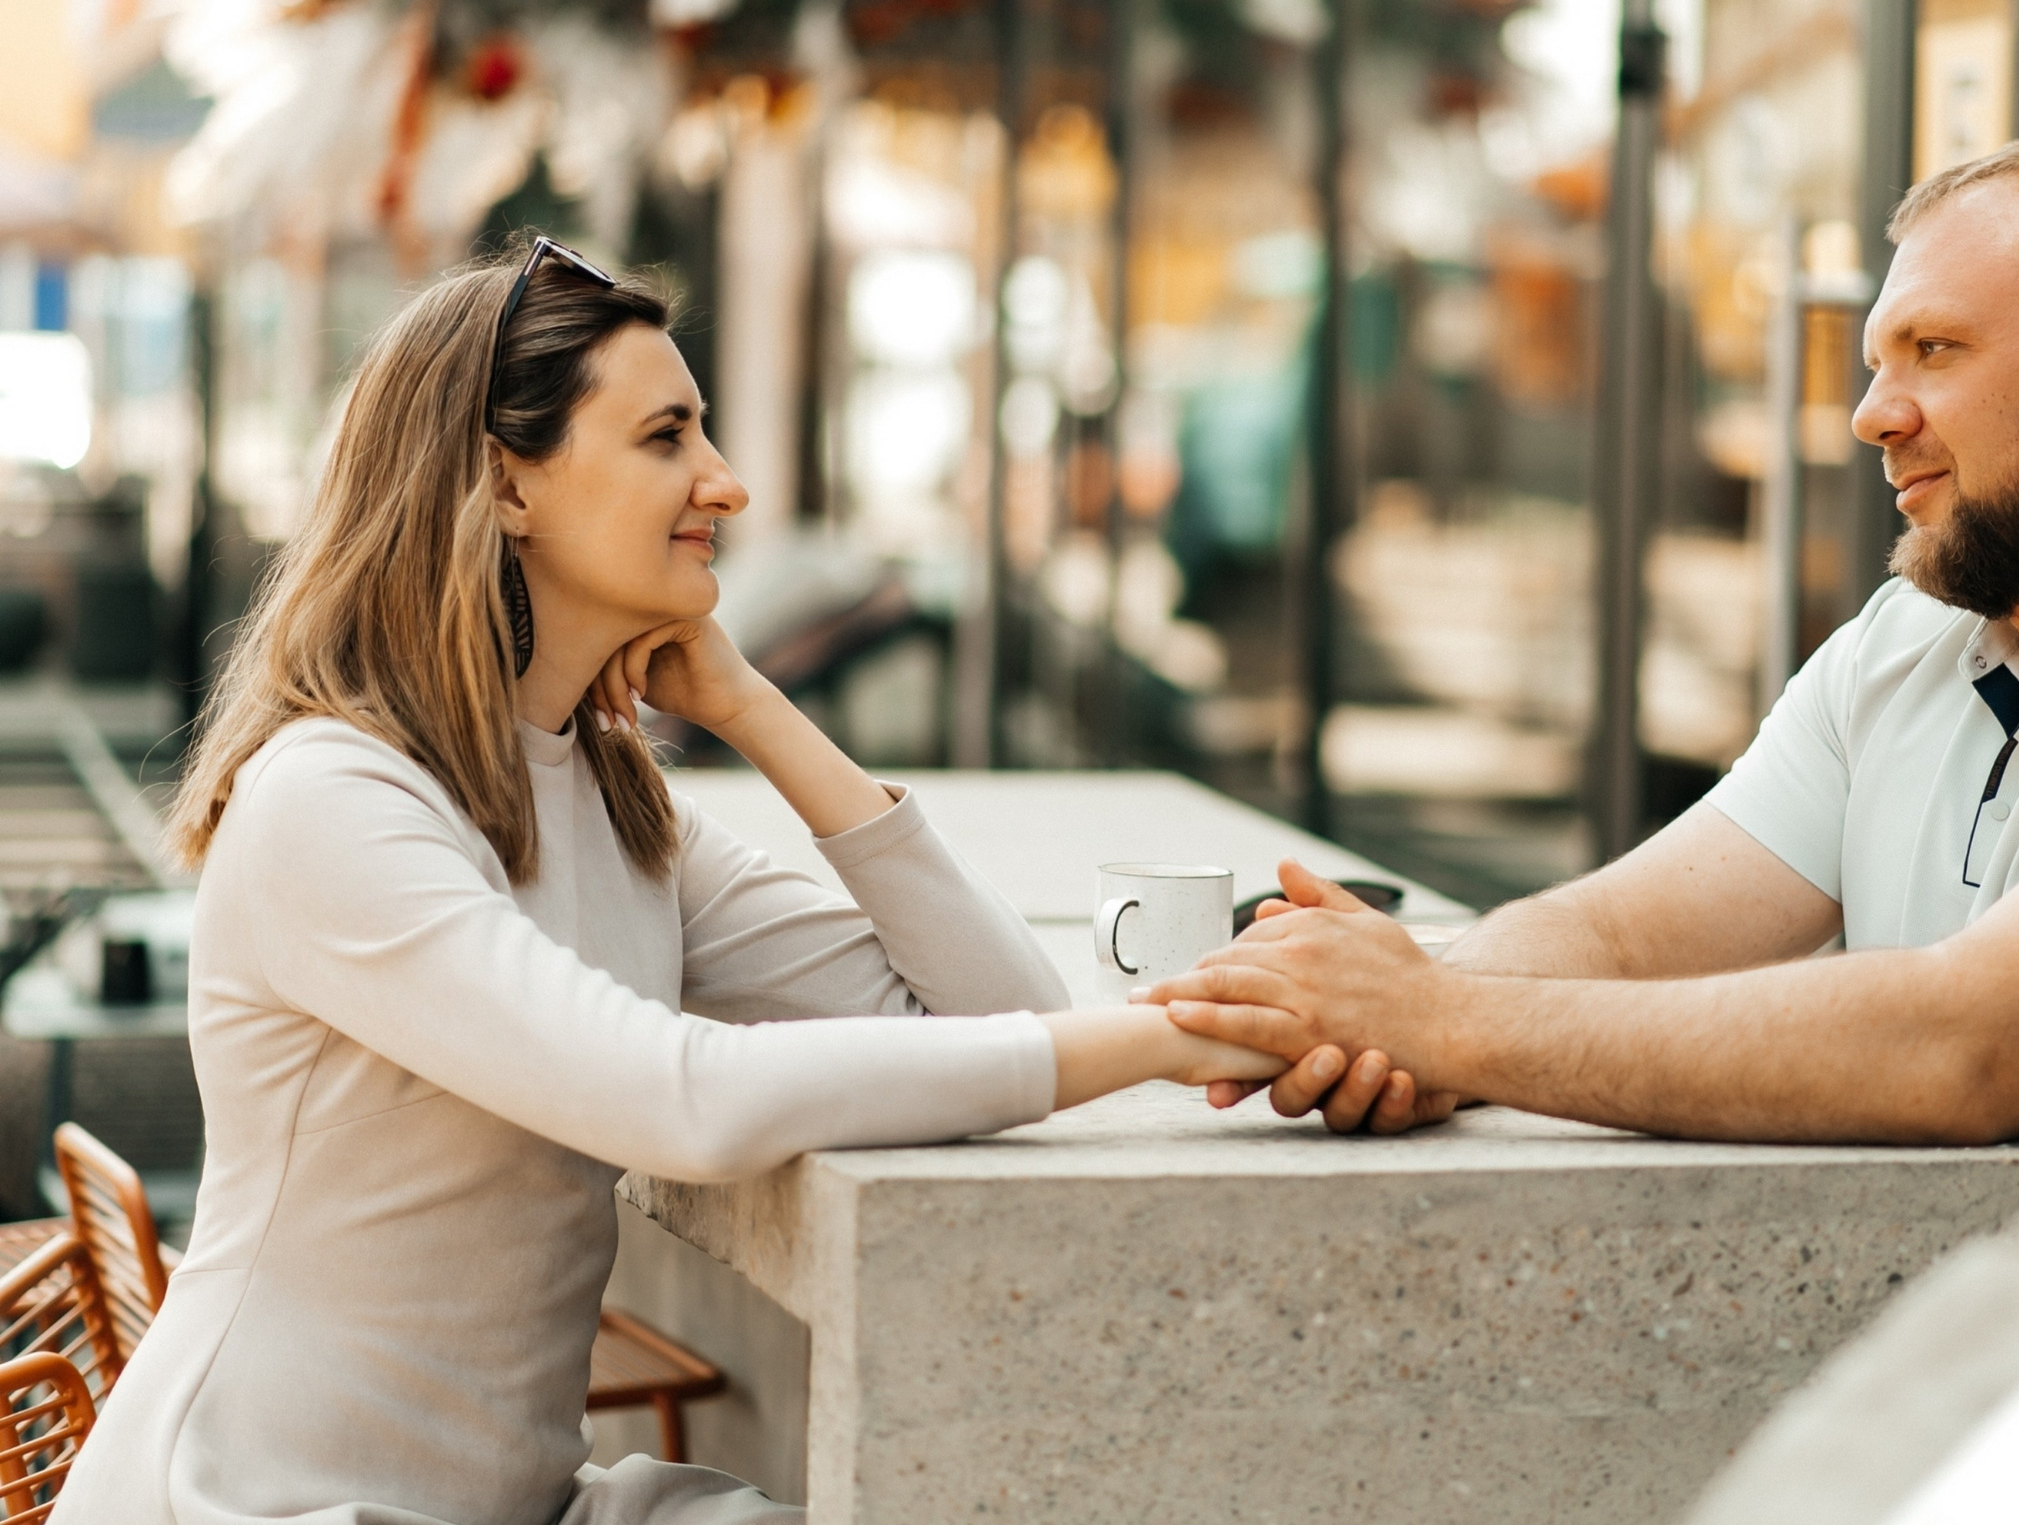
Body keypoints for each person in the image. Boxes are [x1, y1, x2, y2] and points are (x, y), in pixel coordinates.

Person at [64, 237, 1280, 1525]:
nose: (728, 484)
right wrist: (1165, 1037)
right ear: (504, 485)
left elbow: (998, 1005)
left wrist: (758, 711)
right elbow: (673, 1097)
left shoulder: (611, 797)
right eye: (667, 437)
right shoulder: (333, 802)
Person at [1145, 140, 2019, 1156]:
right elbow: (1624, 932)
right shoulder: (1918, 640)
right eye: (1872, 360)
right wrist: (1381, 1014)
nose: (1870, 415)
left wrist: (1444, 1023)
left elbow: (1980, 1045)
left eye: (1934, 351)